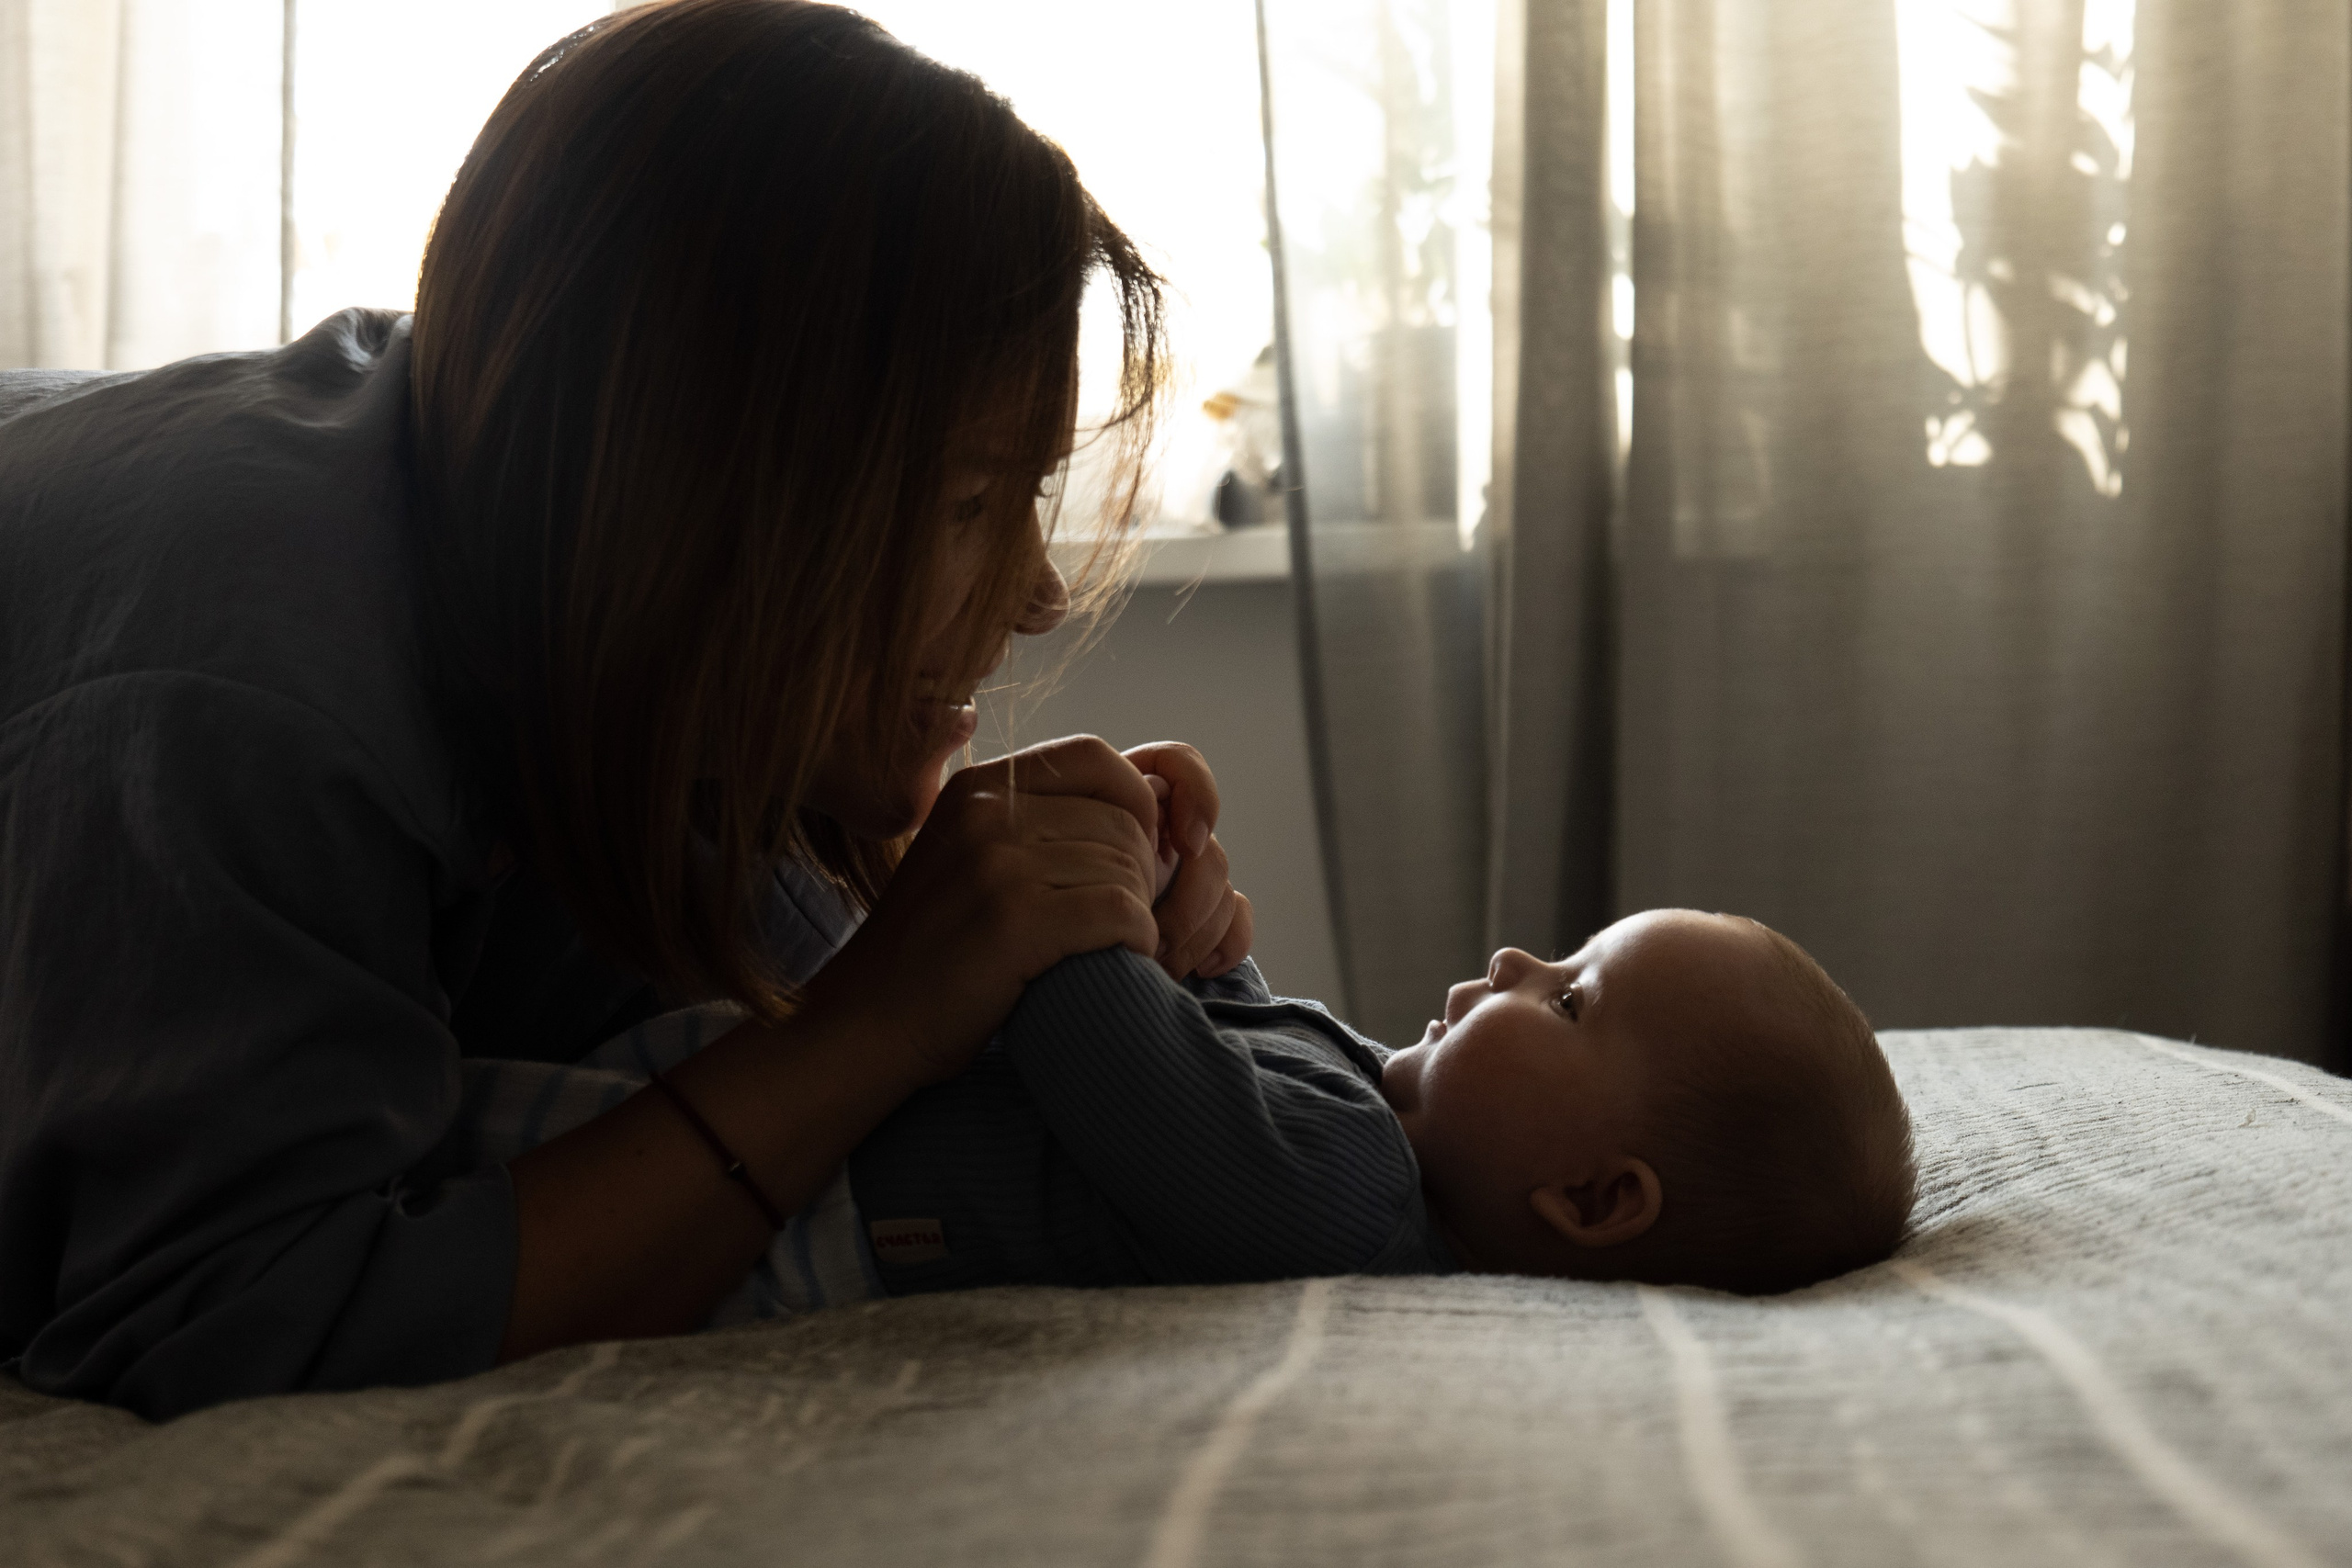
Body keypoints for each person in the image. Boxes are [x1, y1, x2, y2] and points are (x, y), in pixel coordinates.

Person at [0, 0, 1249, 1418]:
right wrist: (875, 1019)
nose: (1035, 597)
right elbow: (226, 1323)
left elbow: (764, 1069)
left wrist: (1069, 950)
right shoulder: (239, 677)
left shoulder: (586, 599)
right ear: (706, 484)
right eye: (970, 499)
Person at [498, 908, 1915, 1310]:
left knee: (481, 1139)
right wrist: (1202, 930)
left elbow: (1115, 1060)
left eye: (1570, 1001)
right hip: (769, 1104)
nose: (1512, 961)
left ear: (1594, 1201)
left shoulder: (1356, 1203)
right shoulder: (1371, 1121)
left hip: (784, 1204)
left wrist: (1090, 901)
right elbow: (1218, 1047)